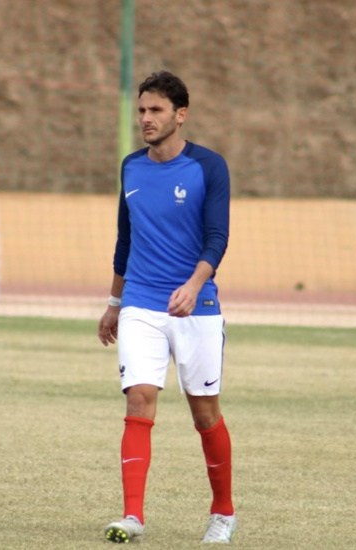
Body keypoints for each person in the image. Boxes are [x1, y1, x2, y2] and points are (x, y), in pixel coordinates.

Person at [97, 71, 236, 544]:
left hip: (197, 308)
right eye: (141, 110)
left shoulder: (208, 167)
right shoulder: (131, 167)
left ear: (181, 115)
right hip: (141, 303)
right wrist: (115, 303)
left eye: (155, 110)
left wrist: (196, 285)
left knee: (204, 414)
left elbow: (218, 237)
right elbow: (125, 240)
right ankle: (132, 516)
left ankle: (223, 512)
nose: (145, 119)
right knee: (139, 397)